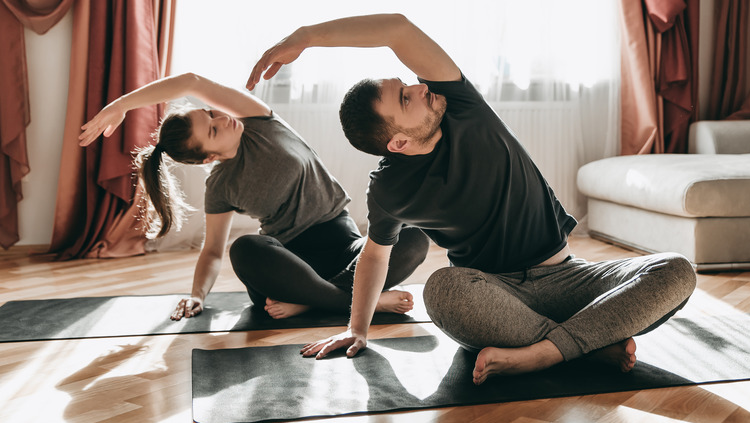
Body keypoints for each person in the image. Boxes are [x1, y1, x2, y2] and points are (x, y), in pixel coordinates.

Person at [246, 13, 697, 384]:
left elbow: (397, 29)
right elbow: (374, 255)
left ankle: (545, 352)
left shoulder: (462, 109)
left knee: (674, 270)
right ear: (398, 143)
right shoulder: (388, 188)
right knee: (441, 289)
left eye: (410, 84)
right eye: (406, 98)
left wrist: (305, 36)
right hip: (492, 296)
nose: (421, 87)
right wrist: (355, 328)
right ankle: (584, 343)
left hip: (568, 279)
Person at [79, 72, 429, 321]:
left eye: (212, 113)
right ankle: (359, 301)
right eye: (213, 130)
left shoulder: (259, 120)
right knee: (244, 250)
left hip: (347, 248)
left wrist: (121, 105)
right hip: (293, 264)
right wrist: (196, 295)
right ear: (208, 158)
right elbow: (213, 251)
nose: (222, 118)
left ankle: (319, 303)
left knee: (413, 235)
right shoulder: (220, 186)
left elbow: (191, 81)